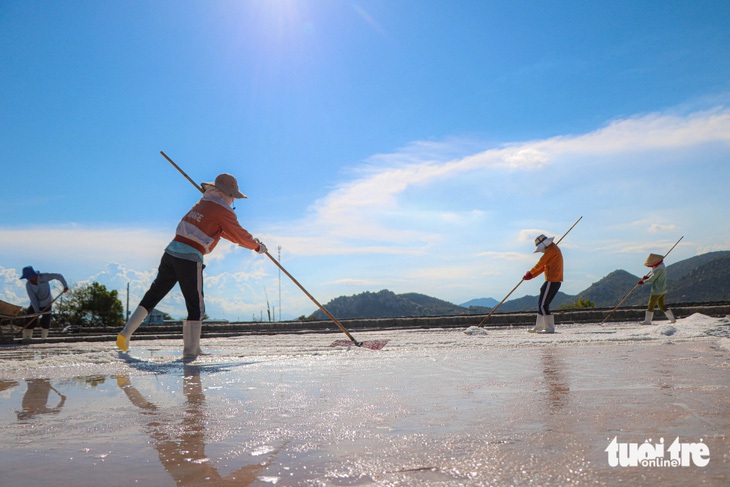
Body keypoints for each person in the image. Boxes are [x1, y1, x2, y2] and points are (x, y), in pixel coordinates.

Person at [116, 173, 267, 358]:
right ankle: (191, 351)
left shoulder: (202, 203)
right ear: (228, 195)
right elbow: (239, 234)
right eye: (233, 197)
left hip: (170, 252)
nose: (233, 200)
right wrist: (257, 246)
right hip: (189, 257)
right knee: (196, 305)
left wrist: (252, 244)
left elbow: (226, 233)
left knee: (154, 294)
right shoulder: (223, 211)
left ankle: (125, 334)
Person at [523, 234, 563, 334]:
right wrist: (532, 275)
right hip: (552, 280)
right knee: (542, 303)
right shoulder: (551, 249)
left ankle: (549, 328)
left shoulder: (551, 250)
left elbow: (540, 263)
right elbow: (543, 267)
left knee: (543, 305)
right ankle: (539, 326)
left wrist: (530, 273)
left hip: (552, 280)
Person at [19, 266, 69, 342]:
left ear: (34, 275)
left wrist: (65, 286)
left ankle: (44, 338)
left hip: (47, 302)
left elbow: (58, 276)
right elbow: (33, 298)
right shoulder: (28, 285)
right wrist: (37, 311)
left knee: (46, 321)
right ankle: (27, 338)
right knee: (30, 319)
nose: (28, 279)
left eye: (29, 277)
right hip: (35, 304)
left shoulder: (44, 276)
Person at [638, 253, 676, 325]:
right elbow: (654, 277)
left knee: (651, 304)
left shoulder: (659, 269)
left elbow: (652, 279)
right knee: (661, 305)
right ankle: (672, 319)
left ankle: (647, 321)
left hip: (657, 290)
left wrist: (643, 282)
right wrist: (647, 278)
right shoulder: (661, 267)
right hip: (663, 289)